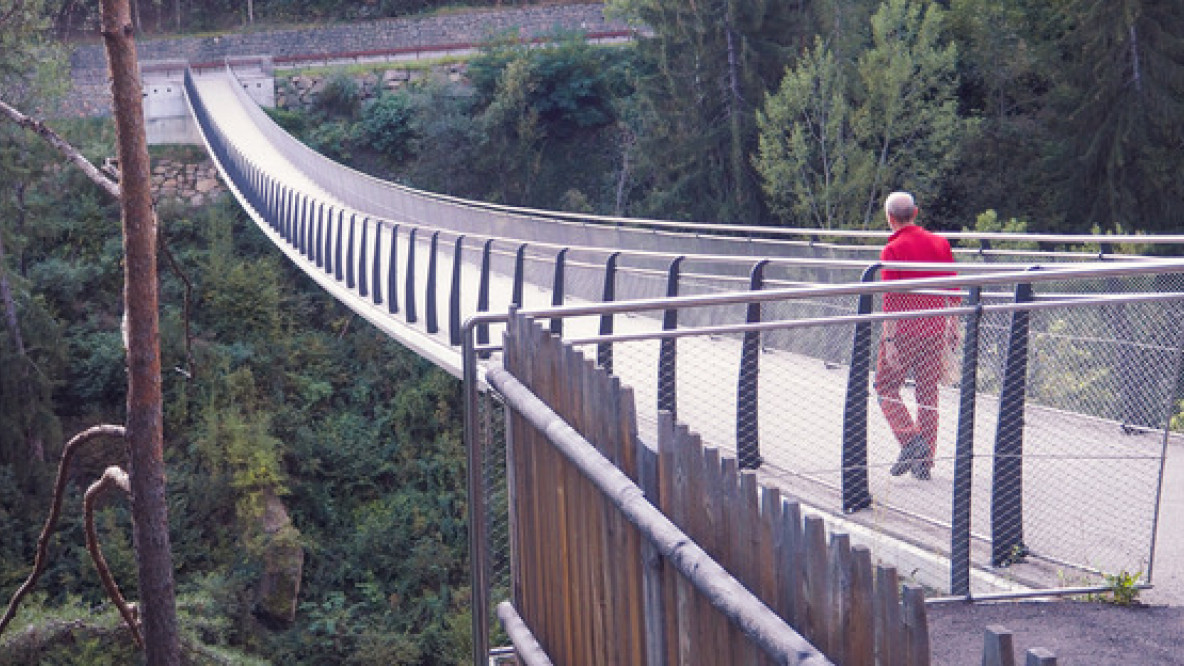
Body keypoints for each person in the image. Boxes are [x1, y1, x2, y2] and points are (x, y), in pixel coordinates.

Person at [875, 191, 958, 480]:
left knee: (885, 387)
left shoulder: (892, 250)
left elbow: (891, 300)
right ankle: (925, 462)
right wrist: (952, 325)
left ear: (889, 217)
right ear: (916, 212)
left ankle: (911, 441)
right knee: (927, 393)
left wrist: (890, 340)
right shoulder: (939, 243)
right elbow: (954, 289)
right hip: (934, 328)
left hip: (905, 330)